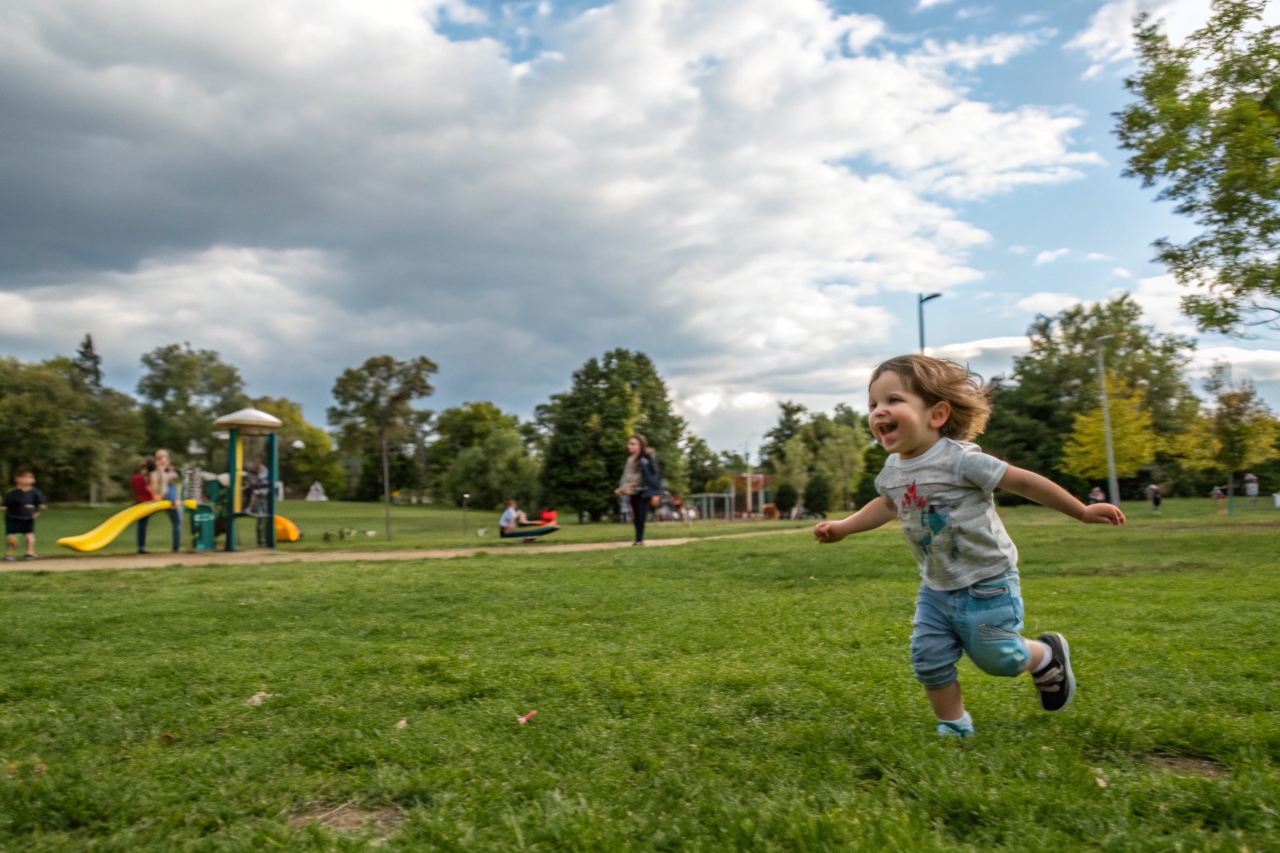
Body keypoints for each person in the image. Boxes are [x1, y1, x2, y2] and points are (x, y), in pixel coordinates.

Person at [814, 355, 1125, 738]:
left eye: (893, 400)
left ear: (937, 414)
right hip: (936, 587)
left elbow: (1024, 482)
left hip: (987, 582)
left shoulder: (961, 460)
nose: (879, 411)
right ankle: (955, 726)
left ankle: (1045, 656)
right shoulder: (892, 470)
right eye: (873, 404)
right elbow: (888, 505)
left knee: (1000, 660)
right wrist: (843, 527)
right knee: (928, 657)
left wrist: (1082, 510)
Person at [614, 434, 662, 545]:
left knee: (641, 515)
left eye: (633, 444)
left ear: (640, 446)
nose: (629, 446)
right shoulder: (630, 460)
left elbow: (651, 477)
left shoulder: (644, 460)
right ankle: (638, 539)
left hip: (643, 491)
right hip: (632, 492)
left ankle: (639, 540)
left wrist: (655, 493)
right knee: (635, 516)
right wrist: (622, 487)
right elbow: (626, 476)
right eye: (629, 444)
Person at [4, 467, 47, 561]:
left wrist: (36, 511)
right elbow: (5, 505)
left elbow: (41, 504)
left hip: (28, 516)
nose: (27, 480)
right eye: (25, 478)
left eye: (30, 478)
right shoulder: (12, 493)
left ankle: (30, 552)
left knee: (28, 534)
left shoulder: (35, 492)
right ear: (18, 479)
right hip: (13, 516)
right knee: (11, 536)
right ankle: (9, 553)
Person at [149, 448, 182, 552]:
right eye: (159, 459)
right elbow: (157, 490)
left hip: (171, 498)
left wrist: (177, 499)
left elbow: (176, 487)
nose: (162, 461)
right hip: (160, 497)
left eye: (165, 459)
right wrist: (161, 472)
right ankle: (141, 547)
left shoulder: (172, 474)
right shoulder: (154, 474)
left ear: (168, 460)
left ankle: (176, 547)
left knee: (178, 522)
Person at [131, 456, 159, 553]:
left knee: (141, 524)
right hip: (147, 502)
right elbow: (151, 490)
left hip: (139, 501)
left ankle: (141, 546)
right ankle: (141, 547)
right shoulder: (147, 477)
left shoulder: (135, 477)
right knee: (143, 524)